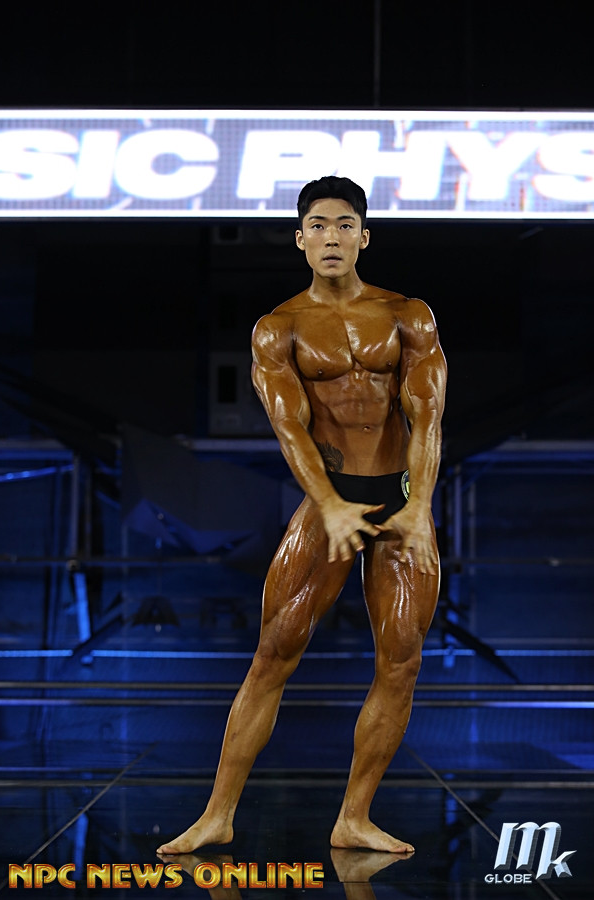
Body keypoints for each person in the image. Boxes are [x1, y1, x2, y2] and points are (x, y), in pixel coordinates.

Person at [157, 175, 447, 856]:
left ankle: (354, 817)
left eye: (344, 225)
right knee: (273, 653)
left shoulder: (409, 316)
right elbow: (289, 429)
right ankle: (217, 816)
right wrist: (329, 505)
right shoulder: (278, 328)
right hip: (327, 498)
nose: (331, 237)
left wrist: (421, 508)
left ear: (365, 237)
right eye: (318, 225)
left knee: (402, 660)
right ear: (299, 239)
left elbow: (428, 414)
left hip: (403, 498)